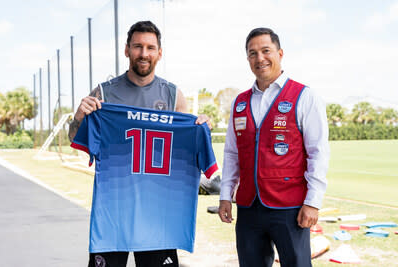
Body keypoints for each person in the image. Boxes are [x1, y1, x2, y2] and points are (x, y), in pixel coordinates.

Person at [68, 21, 212, 267]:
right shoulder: (103, 93)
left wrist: (199, 129)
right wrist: (80, 116)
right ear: (127, 50)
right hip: (114, 213)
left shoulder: (173, 94)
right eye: (137, 47)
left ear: (159, 53)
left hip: (158, 216)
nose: (143, 54)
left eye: (150, 47)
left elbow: (187, 152)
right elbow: (74, 137)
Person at [218, 27, 329, 267]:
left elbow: (318, 152)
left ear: (280, 53)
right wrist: (226, 196)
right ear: (247, 59)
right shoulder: (240, 102)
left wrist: (313, 202)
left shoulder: (304, 96)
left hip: (290, 208)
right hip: (248, 207)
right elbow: (231, 154)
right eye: (252, 53)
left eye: (265, 50)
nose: (260, 58)